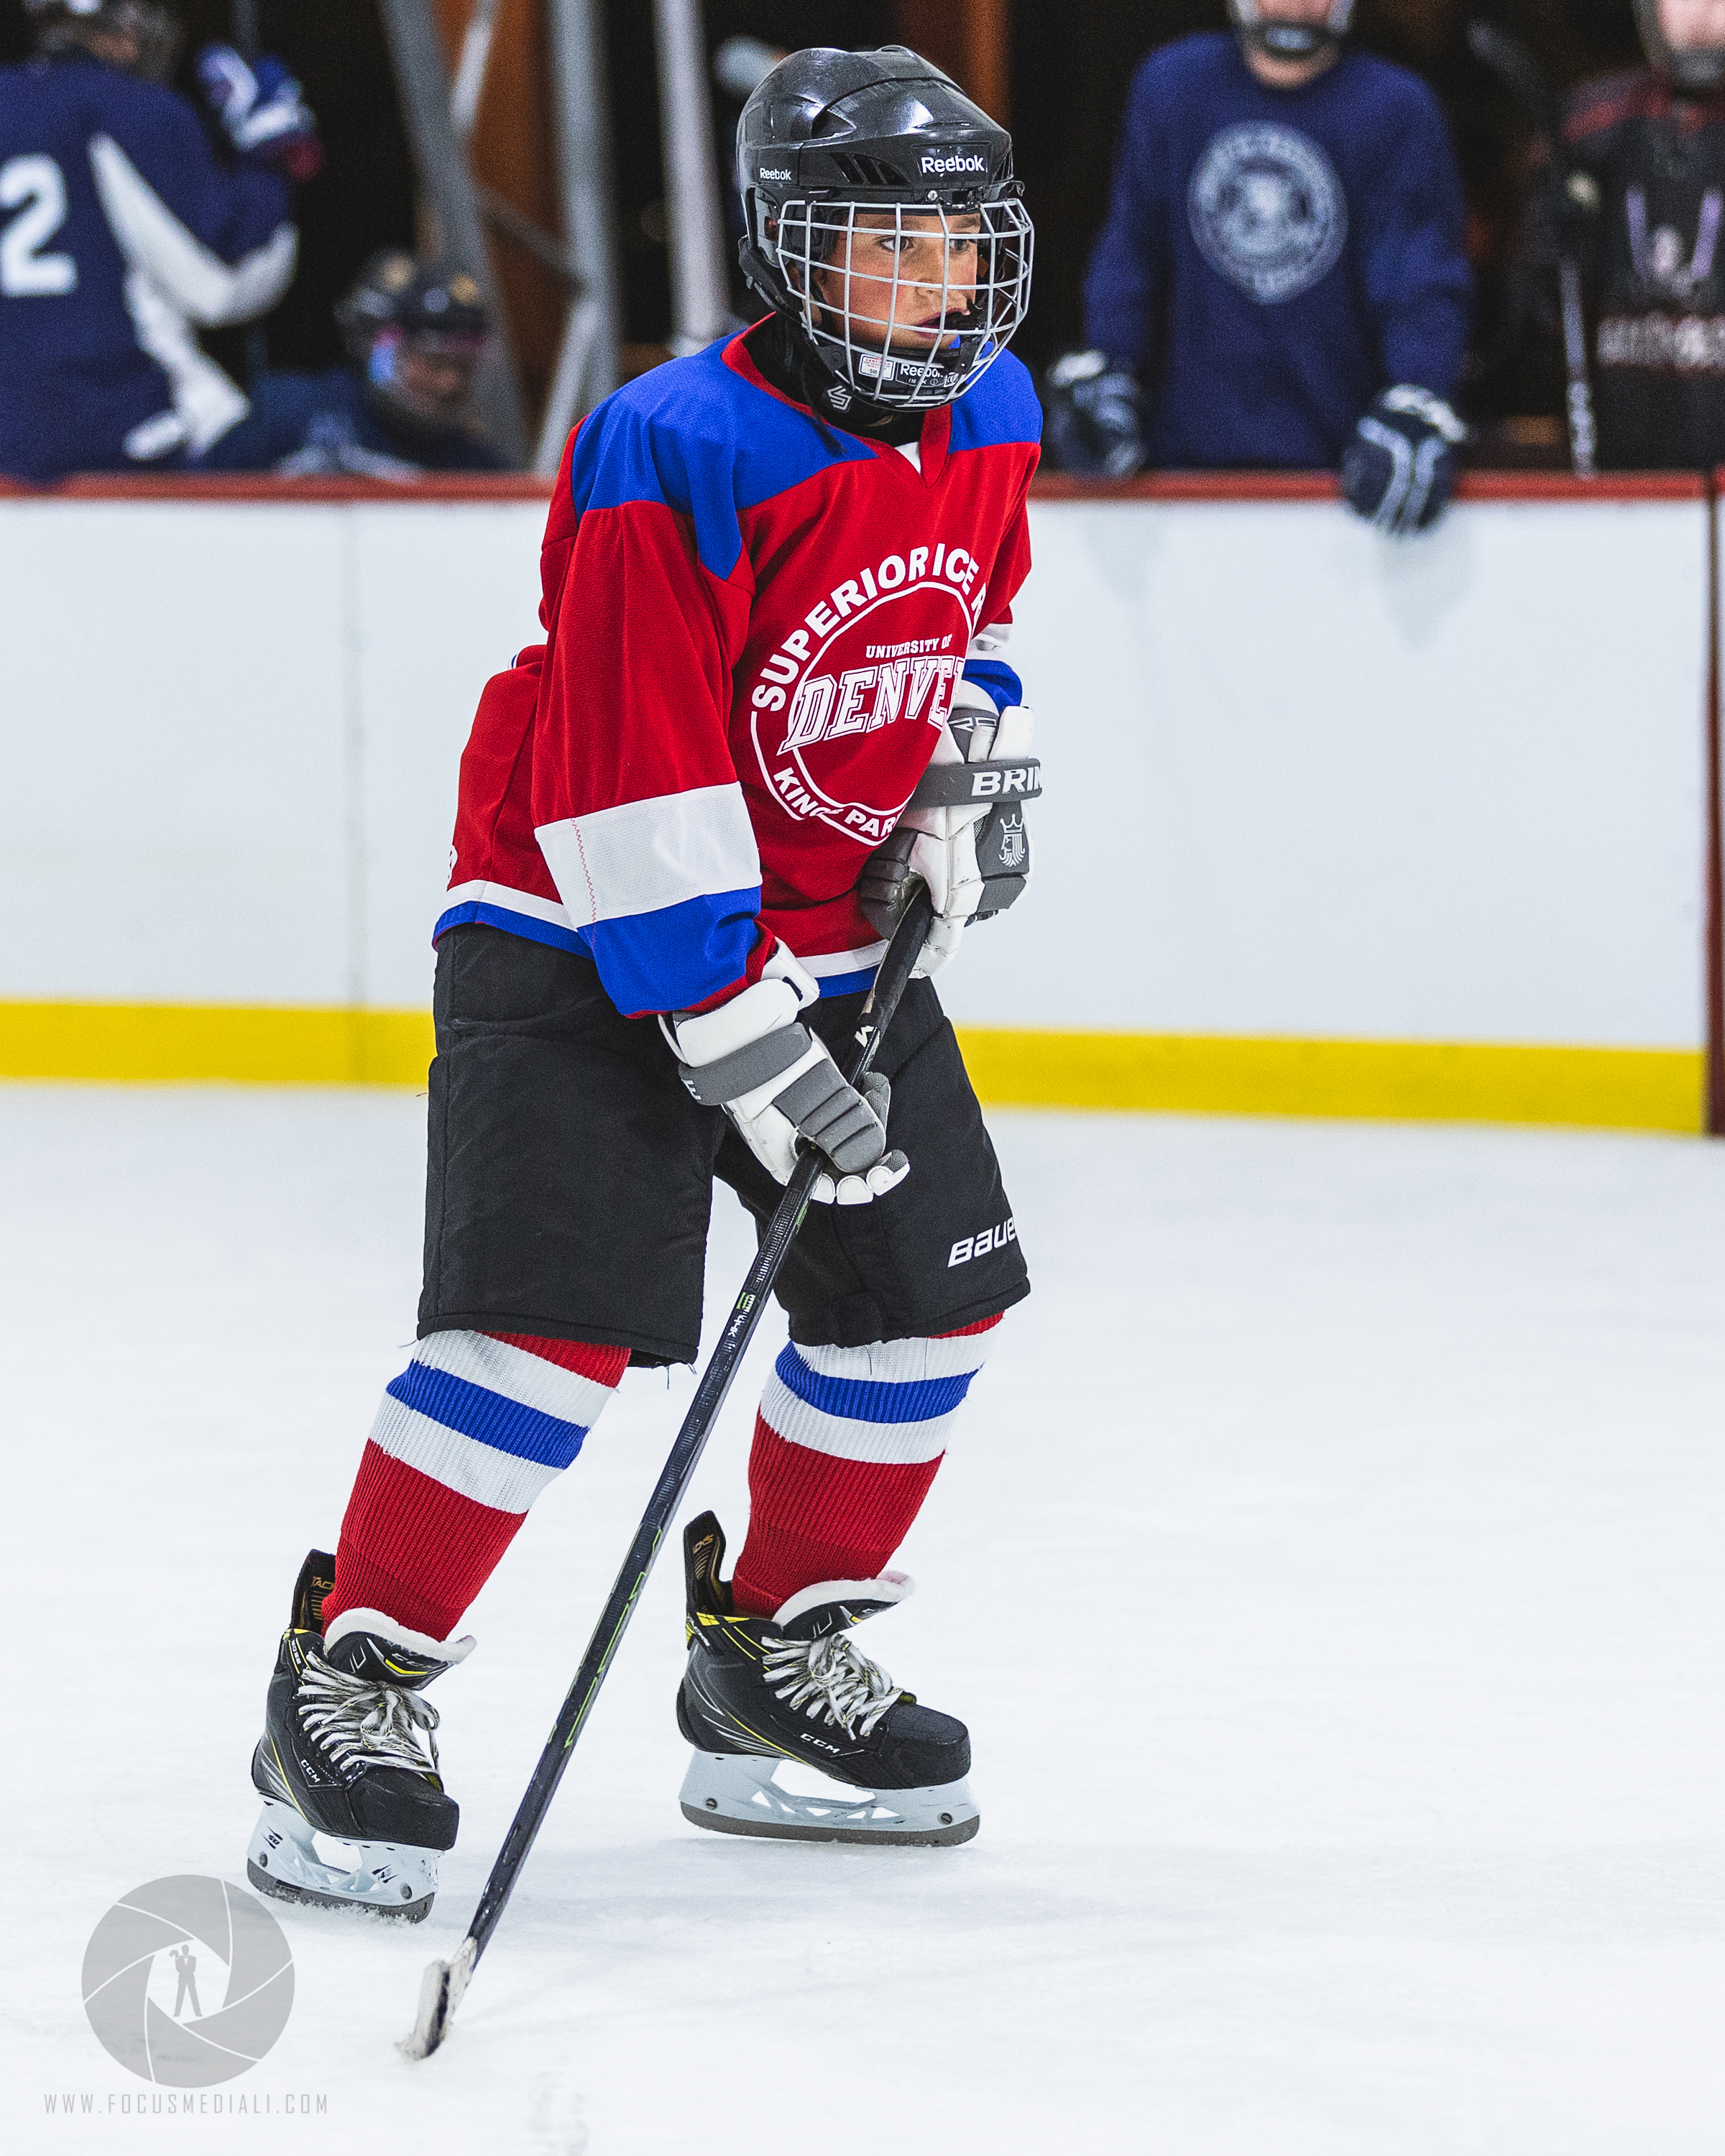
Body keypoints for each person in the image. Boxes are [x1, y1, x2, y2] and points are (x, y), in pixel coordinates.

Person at [244, 44, 1042, 1921]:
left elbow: (981, 605)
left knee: (923, 1304)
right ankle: (348, 1680)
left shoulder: (994, 408)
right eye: (886, 251)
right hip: (569, 921)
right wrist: (745, 1033)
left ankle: (769, 1658)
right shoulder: (676, 437)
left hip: (824, 925)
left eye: (960, 248)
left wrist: (965, 758)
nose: (936, 288)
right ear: (788, 254)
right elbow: (627, 780)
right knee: (545, 1339)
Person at [1046, 0, 1473, 535]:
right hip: (1184, 482)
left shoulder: (1395, 108)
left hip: (1342, 486)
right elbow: (1131, 249)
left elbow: (1421, 281)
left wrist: (1418, 394)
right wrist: (1110, 363)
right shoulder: (1173, 85)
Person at [0, 0, 318, 484]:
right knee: (305, 433)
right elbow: (224, 282)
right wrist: (268, 154)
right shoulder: (126, 108)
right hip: (121, 430)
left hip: (13, 447)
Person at [1534, 0, 1725, 468]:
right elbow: (1536, 318)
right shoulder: (1586, 125)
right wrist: (1546, 245)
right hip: (1619, 475)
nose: (1702, 15)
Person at [196, 252, 507, 476]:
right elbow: (186, 511)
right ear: (376, 345)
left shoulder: (477, 468)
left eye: (464, 367)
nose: (449, 382)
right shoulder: (286, 415)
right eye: (432, 362)